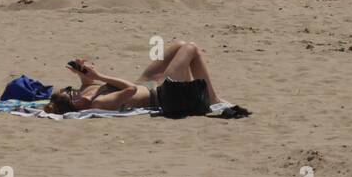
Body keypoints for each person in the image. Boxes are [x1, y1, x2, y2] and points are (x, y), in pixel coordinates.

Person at [45, 41, 222, 115]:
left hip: (146, 83)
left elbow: (88, 84)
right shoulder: (99, 103)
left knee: (180, 45)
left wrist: (82, 73)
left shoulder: (85, 95)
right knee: (191, 48)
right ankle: (212, 99)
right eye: (69, 92)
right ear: (74, 102)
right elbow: (131, 89)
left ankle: (194, 90)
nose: (71, 89)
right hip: (159, 94)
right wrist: (99, 76)